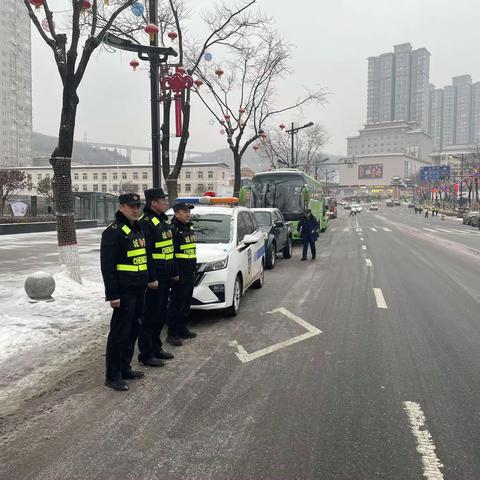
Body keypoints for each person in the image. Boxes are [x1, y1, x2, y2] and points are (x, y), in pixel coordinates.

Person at [100, 193, 150, 391]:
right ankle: (112, 376)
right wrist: (113, 295)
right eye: (131, 207)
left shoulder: (136, 227)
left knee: (133, 331)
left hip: (138, 289)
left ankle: (124, 367)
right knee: (119, 334)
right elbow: (108, 266)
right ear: (121, 207)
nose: (136, 210)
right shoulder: (113, 232)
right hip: (124, 291)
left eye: (138, 206)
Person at [137, 188, 176, 367]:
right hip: (156, 277)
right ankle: (146, 353)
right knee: (150, 315)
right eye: (162, 200)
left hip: (166, 275)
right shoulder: (146, 222)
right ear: (153, 202)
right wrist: (151, 278)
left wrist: (173, 271)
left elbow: (168, 248)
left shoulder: (161, 220)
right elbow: (148, 253)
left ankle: (156, 347)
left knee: (161, 314)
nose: (166, 203)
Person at [166, 202, 197, 346]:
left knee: (186, 302)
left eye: (189, 212)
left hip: (189, 270)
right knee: (176, 303)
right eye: (185, 211)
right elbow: (170, 254)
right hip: (179, 272)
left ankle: (183, 328)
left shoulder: (189, 227)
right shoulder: (172, 230)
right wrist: (174, 273)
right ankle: (172, 334)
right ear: (177, 213)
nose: (188, 214)